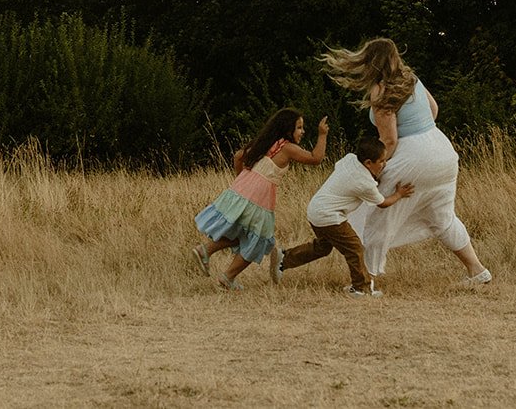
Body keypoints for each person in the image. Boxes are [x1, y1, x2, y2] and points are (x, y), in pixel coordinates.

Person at [322, 38, 492, 286]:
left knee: (378, 215)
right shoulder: (411, 79)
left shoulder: (381, 90)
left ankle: (365, 281)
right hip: (441, 150)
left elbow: (389, 140)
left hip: (413, 157)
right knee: (442, 217)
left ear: (371, 62)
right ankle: (477, 271)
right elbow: (434, 110)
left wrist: (374, 172)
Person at [192, 107, 329, 290]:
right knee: (259, 240)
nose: (302, 131)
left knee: (242, 232)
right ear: (287, 129)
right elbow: (316, 158)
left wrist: (243, 180)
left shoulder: (266, 143)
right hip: (259, 196)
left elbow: (238, 156)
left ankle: (206, 251)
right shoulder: (287, 148)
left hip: (243, 189)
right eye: (299, 127)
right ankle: (227, 277)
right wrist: (322, 134)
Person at [275, 135, 415, 296]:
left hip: (315, 210)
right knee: (355, 248)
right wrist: (399, 194)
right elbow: (382, 203)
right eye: (382, 161)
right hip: (329, 216)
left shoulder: (350, 159)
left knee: (323, 247)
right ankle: (360, 288)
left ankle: (284, 259)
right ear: (368, 163)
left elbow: (343, 170)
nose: (385, 164)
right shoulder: (365, 183)